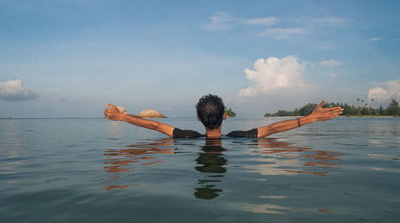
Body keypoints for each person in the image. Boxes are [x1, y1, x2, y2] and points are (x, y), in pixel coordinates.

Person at [103, 94, 343, 139]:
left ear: (198, 119)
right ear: (225, 116)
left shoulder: (187, 136)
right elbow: (272, 129)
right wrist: (309, 119)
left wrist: (122, 117)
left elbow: (155, 126)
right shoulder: (239, 137)